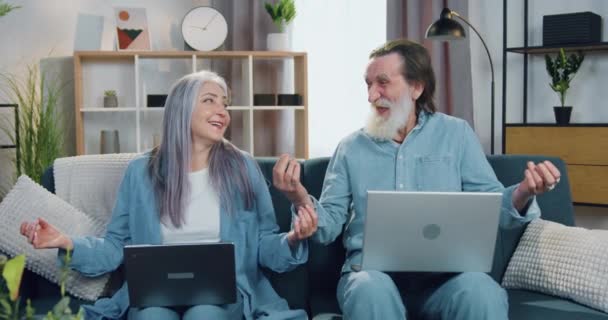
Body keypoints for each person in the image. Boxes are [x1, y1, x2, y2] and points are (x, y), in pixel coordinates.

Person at [272, 39, 561, 320]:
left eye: (382, 82)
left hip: (448, 280)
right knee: (369, 290)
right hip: (371, 277)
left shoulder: (456, 134)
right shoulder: (351, 148)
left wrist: (523, 192)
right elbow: (328, 226)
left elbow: (493, 208)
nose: (371, 95)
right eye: (368, 84)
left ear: (417, 87)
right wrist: (299, 198)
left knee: (482, 292)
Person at [20, 70, 318, 320]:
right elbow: (115, 248)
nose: (222, 112)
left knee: (205, 313)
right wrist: (66, 243)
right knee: (151, 316)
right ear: (182, 109)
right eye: (209, 101)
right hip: (153, 296)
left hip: (225, 297)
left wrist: (293, 237)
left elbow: (264, 246)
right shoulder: (140, 172)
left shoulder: (243, 167)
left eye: (225, 104)